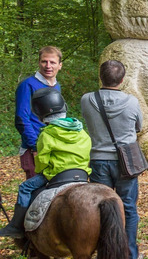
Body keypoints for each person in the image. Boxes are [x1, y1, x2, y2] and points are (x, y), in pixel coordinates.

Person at [0, 88, 91, 238]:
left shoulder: (46, 134)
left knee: (25, 187)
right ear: (64, 107)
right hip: (81, 174)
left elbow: (41, 161)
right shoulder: (81, 132)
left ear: (39, 113)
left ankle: (16, 226)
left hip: (57, 176)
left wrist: (43, 170)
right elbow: (87, 151)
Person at [81, 60, 145, 259]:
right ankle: (129, 255)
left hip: (98, 160)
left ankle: (105, 254)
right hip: (126, 161)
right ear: (122, 80)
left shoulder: (87, 99)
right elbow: (139, 126)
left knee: (102, 208)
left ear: (101, 77)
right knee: (128, 207)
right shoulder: (132, 102)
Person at [15, 46, 63, 180]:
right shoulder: (27, 85)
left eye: (52, 62)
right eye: (44, 61)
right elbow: (21, 119)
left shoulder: (56, 86)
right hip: (34, 149)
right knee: (36, 193)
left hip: (53, 147)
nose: (48, 66)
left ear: (60, 65)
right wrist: (35, 147)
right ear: (39, 63)